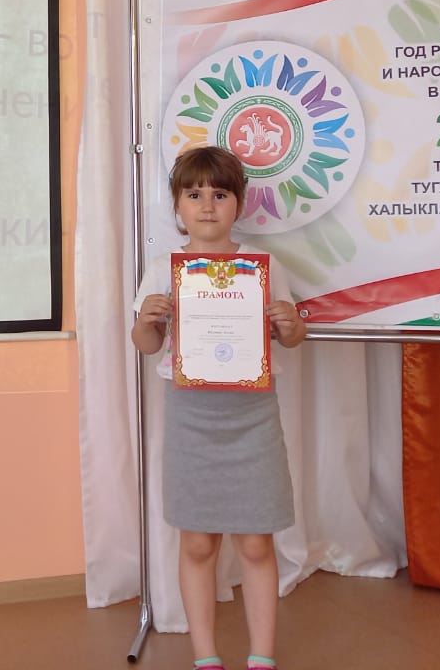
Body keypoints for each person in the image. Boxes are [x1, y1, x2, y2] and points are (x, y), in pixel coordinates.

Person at [132, 144, 307, 670]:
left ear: (239, 203)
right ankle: (205, 657)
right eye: (193, 195)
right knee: (198, 544)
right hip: (191, 418)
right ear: (177, 205)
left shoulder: (265, 267)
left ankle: (262, 658)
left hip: (253, 418)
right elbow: (146, 345)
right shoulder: (164, 269)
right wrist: (146, 320)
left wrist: (290, 324)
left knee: (256, 544)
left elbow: (291, 338)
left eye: (219, 194)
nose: (207, 205)